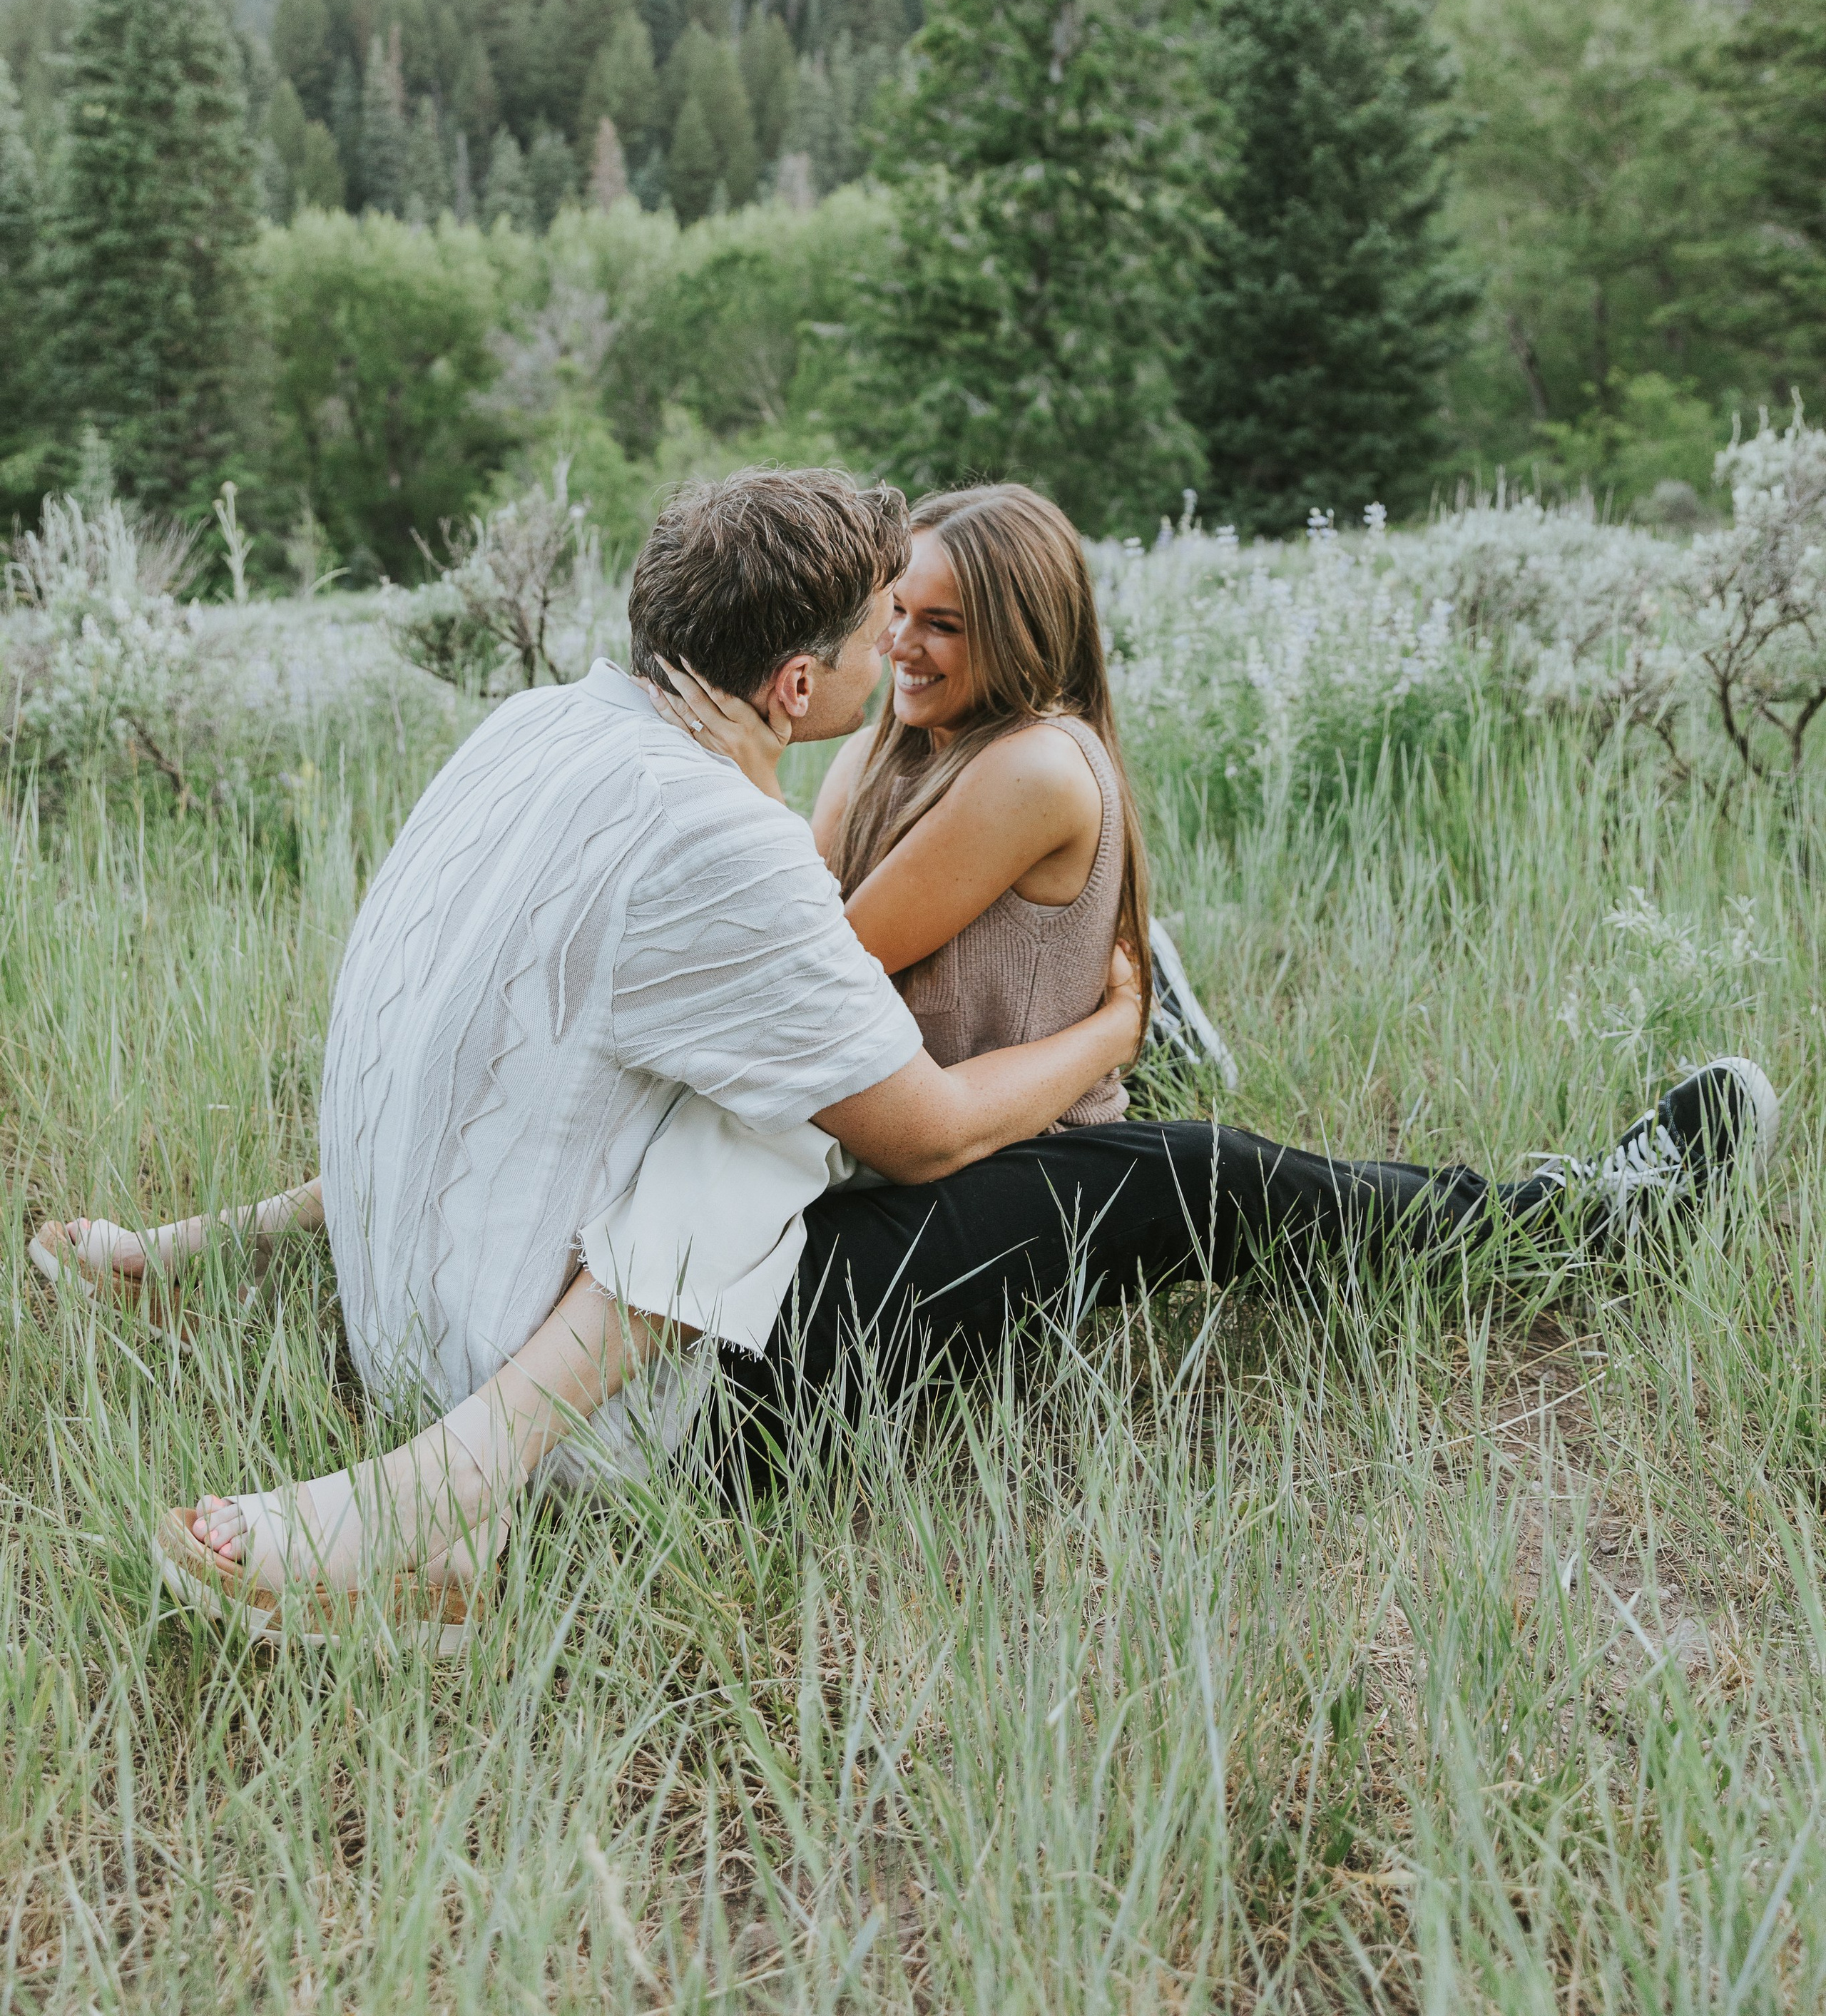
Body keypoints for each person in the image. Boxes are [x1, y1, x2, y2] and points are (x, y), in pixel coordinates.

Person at [36, 474, 1782, 1646]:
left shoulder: (547, 730)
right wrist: (1109, 1029)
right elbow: (924, 1123)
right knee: (1173, 1177)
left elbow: (814, 968)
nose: (900, 653)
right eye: (884, 626)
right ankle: (1577, 1219)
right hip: (657, 1409)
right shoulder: (755, 819)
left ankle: (1537, 1214)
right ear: (798, 679)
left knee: (934, 1128)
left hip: (417, 1305)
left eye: (929, 625)